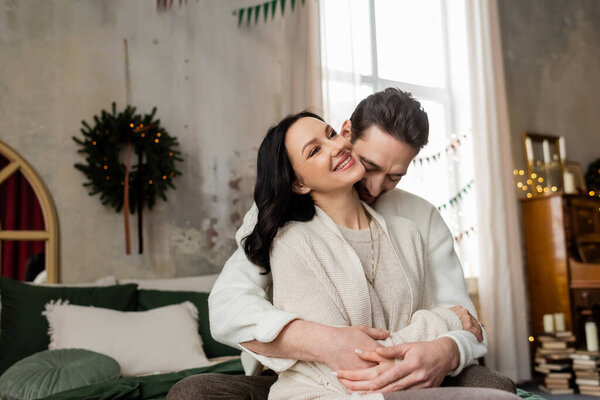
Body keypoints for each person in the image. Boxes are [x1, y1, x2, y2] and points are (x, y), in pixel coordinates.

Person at [167, 89, 515, 399]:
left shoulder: (417, 221)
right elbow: (229, 309)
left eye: (394, 176)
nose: (375, 187)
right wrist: (325, 343)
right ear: (348, 134)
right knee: (194, 392)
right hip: (303, 374)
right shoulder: (283, 220)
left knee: (495, 384)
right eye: (370, 165)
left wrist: (447, 350)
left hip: (408, 364)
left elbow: (467, 323)